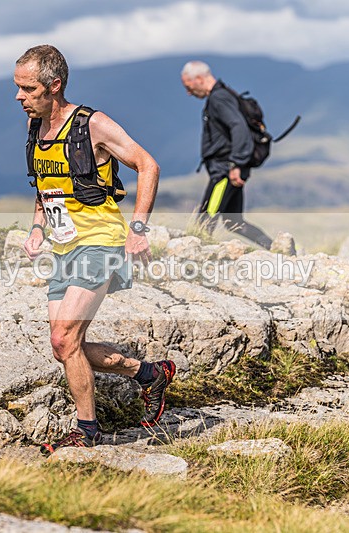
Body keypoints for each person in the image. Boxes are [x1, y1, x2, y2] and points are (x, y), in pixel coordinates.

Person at [15, 44, 175, 455]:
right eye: (17, 88)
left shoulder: (92, 125)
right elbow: (45, 187)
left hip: (101, 242)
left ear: (54, 85)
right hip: (63, 248)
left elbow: (148, 165)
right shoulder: (36, 128)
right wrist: (37, 229)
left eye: (28, 89)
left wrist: (137, 229)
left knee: (64, 337)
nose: (19, 97)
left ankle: (87, 432)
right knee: (63, 346)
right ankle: (149, 374)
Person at [181, 60, 274, 250]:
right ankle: (277, 248)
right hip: (228, 169)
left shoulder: (219, 98)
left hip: (225, 172)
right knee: (233, 222)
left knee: (204, 222)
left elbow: (238, 126)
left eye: (188, 87)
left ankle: (195, 261)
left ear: (199, 78)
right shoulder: (222, 95)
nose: (188, 93)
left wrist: (235, 164)